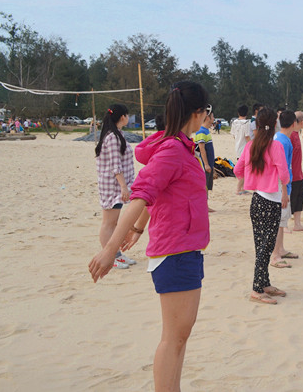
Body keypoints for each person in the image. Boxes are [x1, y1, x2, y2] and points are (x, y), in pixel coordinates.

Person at [88, 81, 210, 392]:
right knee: (174, 337)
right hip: (176, 252)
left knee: (180, 336)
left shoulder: (180, 146)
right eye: (207, 111)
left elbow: (159, 195)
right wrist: (110, 250)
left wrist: (139, 229)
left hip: (185, 249)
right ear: (197, 112)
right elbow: (141, 195)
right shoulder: (172, 150)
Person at [234, 106, 290, 305]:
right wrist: (283, 188)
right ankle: (257, 289)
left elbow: (237, 170)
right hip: (270, 201)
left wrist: (254, 178)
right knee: (265, 247)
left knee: (262, 245)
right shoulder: (275, 146)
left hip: (257, 200)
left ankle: (264, 283)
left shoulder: (251, 146)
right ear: (274, 124)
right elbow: (284, 174)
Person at [94, 103, 137, 269]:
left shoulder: (118, 134)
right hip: (112, 186)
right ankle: (110, 256)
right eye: (127, 115)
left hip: (117, 186)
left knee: (114, 223)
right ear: (122, 117)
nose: (128, 118)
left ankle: (116, 255)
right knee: (109, 223)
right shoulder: (112, 137)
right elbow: (115, 165)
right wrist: (123, 187)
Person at [271, 110, 297, 268]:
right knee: (280, 220)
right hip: (282, 186)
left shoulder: (278, 137)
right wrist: (285, 191)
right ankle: (276, 253)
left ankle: (280, 249)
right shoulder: (284, 142)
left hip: (281, 185)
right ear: (294, 124)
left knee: (282, 220)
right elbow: (283, 168)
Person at [290, 111, 303, 231]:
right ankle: (285, 225)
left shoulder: (297, 133)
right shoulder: (291, 135)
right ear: (302, 122)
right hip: (292, 174)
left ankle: (297, 224)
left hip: (299, 173)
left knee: (299, 198)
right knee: (291, 199)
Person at [194, 109, 215, 211]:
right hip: (204, 165)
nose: (214, 118)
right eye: (212, 116)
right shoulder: (201, 131)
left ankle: (205, 205)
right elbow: (202, 149)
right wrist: (206, 164)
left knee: (207, 185)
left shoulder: (206, 131)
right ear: (207, 118)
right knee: (204, 185)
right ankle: (203, 206)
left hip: (209, 163)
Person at [231, 105, 251, 195]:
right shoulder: (247, 123)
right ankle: (239, 189)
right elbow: (247, 136)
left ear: (238, 113)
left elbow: (233, 135)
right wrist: (252, 145)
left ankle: (242, 188)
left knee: (241, 168)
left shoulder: (234, 122)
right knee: (244, 169)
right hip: (245, 148)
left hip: (237, 147)